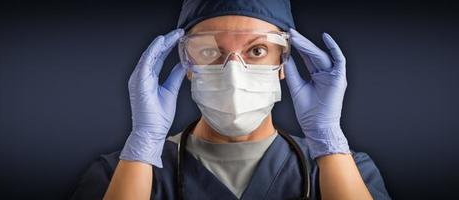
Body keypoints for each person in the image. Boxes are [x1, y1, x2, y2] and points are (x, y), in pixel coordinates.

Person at [70, 0, 390, 199]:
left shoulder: (348, 171)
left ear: (284, 62)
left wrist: (328, 141)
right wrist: (143, 146)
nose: (234, 73)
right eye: (210, 51)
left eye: (257, 50)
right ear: (188, 65)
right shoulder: (117, 174)